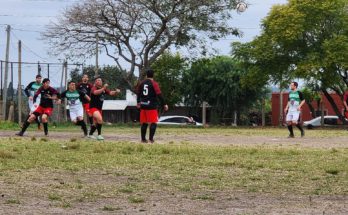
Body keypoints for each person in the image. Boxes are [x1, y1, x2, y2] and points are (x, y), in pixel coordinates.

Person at [137, 69, 168, 143]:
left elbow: (138, 93)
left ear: (146, 75)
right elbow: (159, 94)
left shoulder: (141, 83)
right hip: (151, 105)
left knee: (144, 123)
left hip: (143, 105)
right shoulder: (154, 83)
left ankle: (143, 139)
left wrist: (138, 102)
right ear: (153, 75)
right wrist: (164, 104)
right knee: (153, 122)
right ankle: (151, 139)